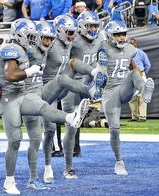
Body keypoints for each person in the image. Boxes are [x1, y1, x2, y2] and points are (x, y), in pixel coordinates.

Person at [0, 18, 89, 194]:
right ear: (19, 34)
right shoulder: (10, 48)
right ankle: (9, 181)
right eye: (30, 36)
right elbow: (11, 75)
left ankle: (70, 118)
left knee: (41, 113)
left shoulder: (29, 48)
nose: (32, 40)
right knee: (15, 140)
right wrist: (31, 70)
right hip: (8, 98)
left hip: (23, 94)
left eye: (33, 36)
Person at [101, 20, 154, 175]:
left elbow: (133, 66)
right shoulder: (103, 47)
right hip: (109, 92)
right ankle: (119, 162)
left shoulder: (130, 49)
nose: (122, 38)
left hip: (123, 87)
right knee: (115, 129)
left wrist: (141, 77)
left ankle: (144, 90)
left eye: (123, 34)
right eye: (118, 35)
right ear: (110, 35)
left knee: (132, 74)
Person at [62, 10, 106, 178]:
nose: (93, 29)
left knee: (76, 125)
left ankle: (74, 152)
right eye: (90, 26)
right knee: (70, 126)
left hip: (88, 83)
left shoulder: (100, 38)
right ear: (81, 27)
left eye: (95, 25)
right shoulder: (73, 39)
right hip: (71, 85)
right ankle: (67, 166)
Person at [128, 37, 151, 122]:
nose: (131, 45)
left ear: (135, 44)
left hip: (140, 74)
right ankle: (135, 116)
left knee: (142, 96)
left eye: (132, 43)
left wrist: (142, 73)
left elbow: (148, 65)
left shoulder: (141, 53)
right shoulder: (125, 54)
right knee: (131, 97)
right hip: (130, 75)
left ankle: (142, 116)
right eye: (129, 44)